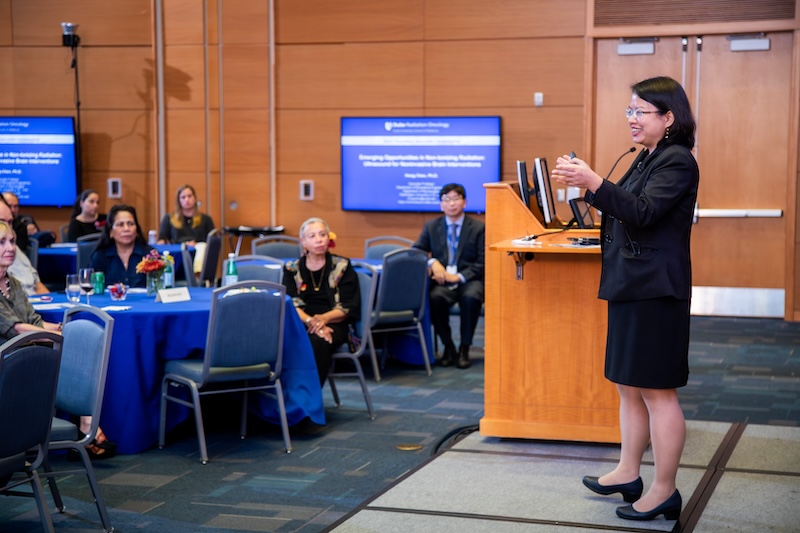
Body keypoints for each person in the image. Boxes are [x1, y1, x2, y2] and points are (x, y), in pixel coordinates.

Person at [551, 76, 699, 522]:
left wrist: (592, 180)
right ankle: (628, 471)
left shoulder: (677, 161)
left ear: (668, 118)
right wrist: (592, 184)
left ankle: (664, 490)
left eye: (640, 111)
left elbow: (643, 212)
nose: (631, 119)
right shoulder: (647, 156)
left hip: (656, 290)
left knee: (657, 392)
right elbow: (626, 204)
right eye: (629, 111)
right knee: (628, 384)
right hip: (632, 284)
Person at [413, 183, 485, 369]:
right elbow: (417, 250)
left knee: (471, 297)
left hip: (468, 280)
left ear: (464, 202)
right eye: (447, 199)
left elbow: (483, 262)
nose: (451, 203)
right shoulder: (432, 226)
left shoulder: (478, 228)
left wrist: (459, 277)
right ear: (441, 205)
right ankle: (448, 346)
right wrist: (433, 262)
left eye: (456, 199)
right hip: (442, 281)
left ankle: (464, 348)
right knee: (434, 298)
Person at [282, 218, 360, 386]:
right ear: (303, 242)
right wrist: (312, 321)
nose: (318, 239)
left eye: (322, 235)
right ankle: (286, 398)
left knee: (318, 342)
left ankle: (310, 400)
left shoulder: (342, 266)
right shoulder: (291, 268)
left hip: (335, 322)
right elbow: (290, 303)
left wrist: (323, 320)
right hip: (301, 321)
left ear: (328, 239)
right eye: (312, 236)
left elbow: (348, 307)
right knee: (285, 340)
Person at [89, 204, 154, 287]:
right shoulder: (100, 256)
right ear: (111, 232)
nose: (126, 229)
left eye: (130, 224)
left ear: (137, 229)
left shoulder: (150, 256)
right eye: (120, 224)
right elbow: (91, 290)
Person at [0, 201, 48, 295]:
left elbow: (37, 284)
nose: (7, 228)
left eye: (10, 222)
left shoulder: (14, 249)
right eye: (1, 222)